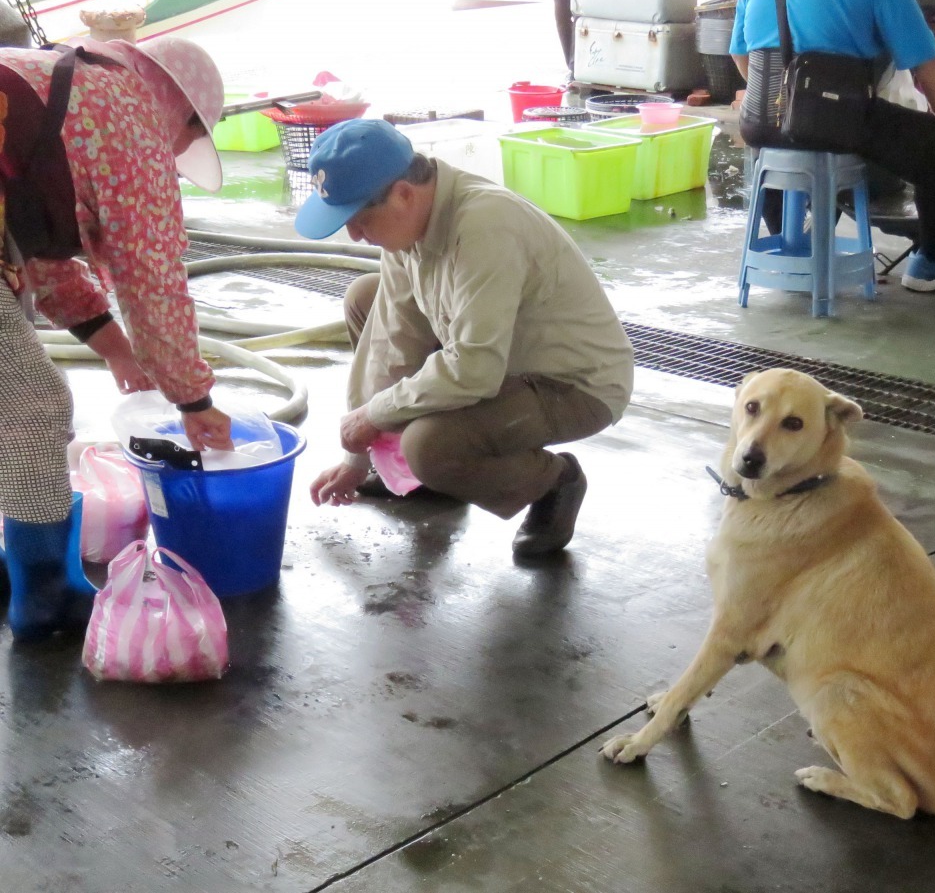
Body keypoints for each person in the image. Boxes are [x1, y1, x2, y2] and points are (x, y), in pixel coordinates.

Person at [298, 119, 634, 558]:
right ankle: (426, 472)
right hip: (498, 367)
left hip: (571, 384)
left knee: (430, 445)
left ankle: (554, 480)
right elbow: (391, 344)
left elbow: (474, 369)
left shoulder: (485, 226)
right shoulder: (408, 226)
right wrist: (357, 458)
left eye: (360, 219)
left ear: (403, 193)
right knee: (365, 296)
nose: (355, 235)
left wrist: (378, 414)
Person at [0, 37, 234, 642]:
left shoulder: (76, 84)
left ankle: (23, 568)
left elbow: (42, 256)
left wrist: (115, 346)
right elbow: (153, 277)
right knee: (35, 405)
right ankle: (42, 591)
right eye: (189, 136)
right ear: (177, 106)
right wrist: (193, 399)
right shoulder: (130, 115)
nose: (179, 153)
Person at [729, 0, 935, 291]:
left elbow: (739, 52)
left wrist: (784, 98)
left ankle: (793, 246)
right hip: (834, 117)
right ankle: (931, 261)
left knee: (790, 141)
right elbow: (919, 51)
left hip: (760, 122)